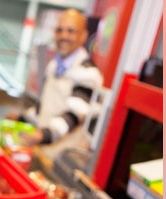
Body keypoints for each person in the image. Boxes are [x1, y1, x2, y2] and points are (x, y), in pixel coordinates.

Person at [19, 8, 106, 147]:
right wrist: (21, 119)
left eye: (71, 31)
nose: (63, 36)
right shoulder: (53, 65)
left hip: (64, 156)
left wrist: (43, 135)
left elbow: (73, 115)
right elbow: (43, 105)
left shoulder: (89, 73)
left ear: (83, 36)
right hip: (42, 148)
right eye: (59, 30)